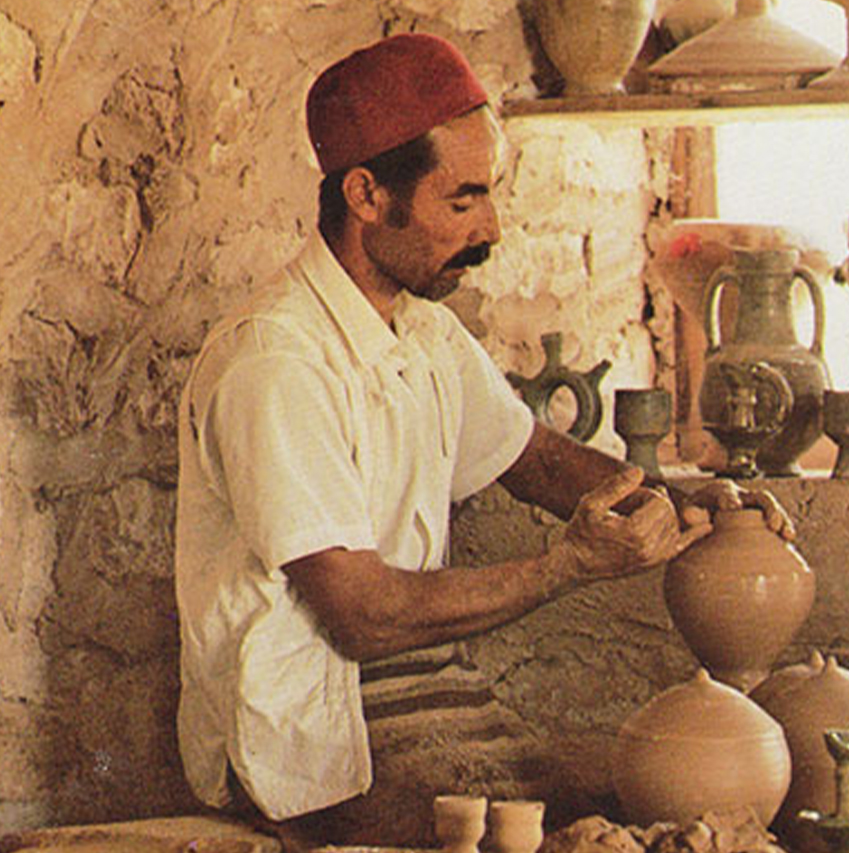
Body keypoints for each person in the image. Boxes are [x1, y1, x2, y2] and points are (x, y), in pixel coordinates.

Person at [174, 32, 792, 849]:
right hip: (314, 720)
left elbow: (535, 460)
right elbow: (359, 616)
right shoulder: (276, 360)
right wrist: (566, 566)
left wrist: (687, 502)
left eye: (489, 195)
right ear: (366, 195)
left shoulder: (424, 331)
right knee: (536, 836)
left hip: (424, 680)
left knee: (610, 814)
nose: (491, 228)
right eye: (462, 201)